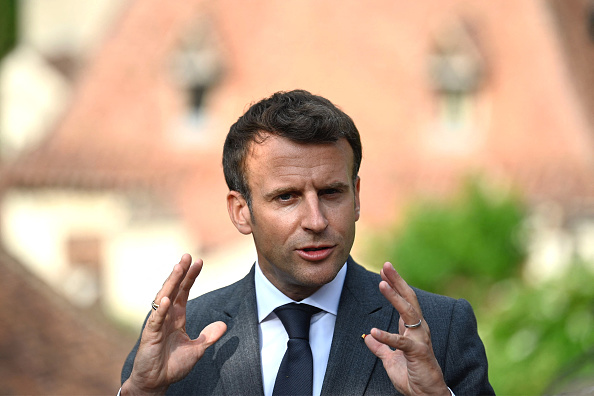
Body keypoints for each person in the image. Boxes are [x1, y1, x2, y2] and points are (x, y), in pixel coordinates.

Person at [120, 90, 494, 395]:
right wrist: (140, 392)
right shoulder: (182, 333)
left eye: (332, 193)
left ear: (357, 196)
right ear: (241, 211)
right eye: (286, 197)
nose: (316, 221)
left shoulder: (439, 329)